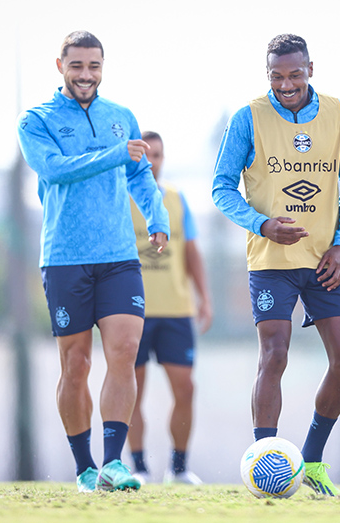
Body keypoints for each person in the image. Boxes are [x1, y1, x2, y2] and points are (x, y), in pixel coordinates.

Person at [212, 34, 340, 497]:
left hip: (326, 261)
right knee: (274, 355)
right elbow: (222, 188)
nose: (286, 84)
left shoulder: (339, 114)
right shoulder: (248, 118)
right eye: (276, 77)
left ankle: (313, 461)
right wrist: (262, 225)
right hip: (272, 261)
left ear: (311, 69)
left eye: (294, 75)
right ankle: (265, 464)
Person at [16, 30, 170, 493]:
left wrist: (156, 216)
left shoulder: (121, 117)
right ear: (59, 65)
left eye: (94, 66)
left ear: (103, 67)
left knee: (123, 353)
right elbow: (55, 169)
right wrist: (112, 155)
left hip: (119, 256)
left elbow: (140, 173)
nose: (86, 75)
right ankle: (84, 468)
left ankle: (113, 464)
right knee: (77, 364)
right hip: (65, 258)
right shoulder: (35, 120)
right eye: (77, 66)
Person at [127, 131, 213, 486]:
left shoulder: (177, 199)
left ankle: (178, 468)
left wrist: (203, 298)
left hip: (176, 311)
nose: (151, 162)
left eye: (157, 155)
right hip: (131, 311)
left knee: (186, 389)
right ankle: (138, 467)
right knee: (131, 391)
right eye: (145, 156)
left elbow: (191, 252)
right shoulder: (119, 198)